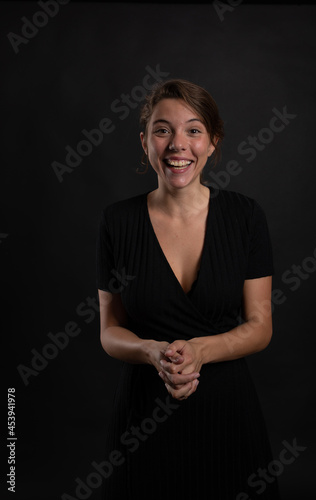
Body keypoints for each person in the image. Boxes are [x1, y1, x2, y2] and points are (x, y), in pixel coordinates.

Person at [96, 79, 280, 499]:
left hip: (227, 414)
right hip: (142, 414)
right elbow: (109, 330)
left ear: (212, 142)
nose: (178, 145)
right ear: (145, 141)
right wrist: (152, 352)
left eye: (193, 131)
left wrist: (198, 351)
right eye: (163, 130)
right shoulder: (116, 222)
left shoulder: (245, 216)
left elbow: (260, 325)